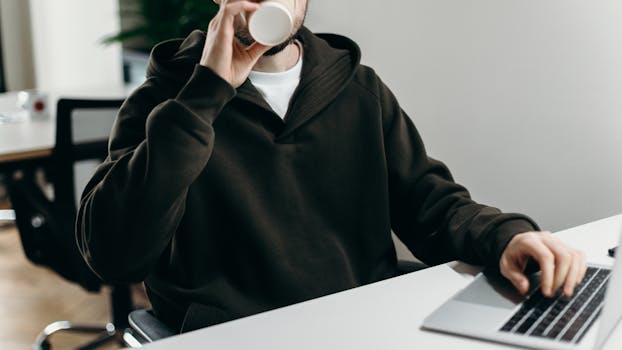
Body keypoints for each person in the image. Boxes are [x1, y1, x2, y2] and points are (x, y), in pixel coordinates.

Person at [76, 0, 586, 333]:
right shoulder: (166, 103)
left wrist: (504, 237)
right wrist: (207, 94)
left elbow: (431, 203)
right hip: (234, 334)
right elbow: (113, 255)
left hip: (362, 327)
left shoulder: (359, 90)